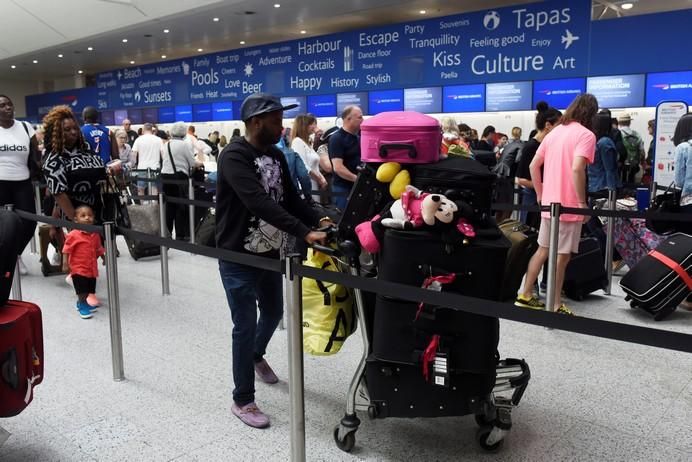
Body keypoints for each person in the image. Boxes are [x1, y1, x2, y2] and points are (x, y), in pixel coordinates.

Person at [216, 93, 329, 428]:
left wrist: (317, 220)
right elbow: (257, 201)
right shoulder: (234, 155)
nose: (281, 127)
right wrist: (303, 232)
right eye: (276, 121)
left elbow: (292, 198)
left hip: (269, 253)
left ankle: (255, 354)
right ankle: (243, 400)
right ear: (255, 122)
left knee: (274, 311)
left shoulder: (278, 155)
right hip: (237, 254)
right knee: (245, 324)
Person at [514, 93, 599, 315]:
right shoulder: (586, 135)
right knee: (562, 257)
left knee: (543, 250)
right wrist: (581, 203)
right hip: (569, 206)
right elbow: (577, 168)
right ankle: (553, 304)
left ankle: (525, 294)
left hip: (549, 204)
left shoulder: (555, 133)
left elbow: (534, 165)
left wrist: (542, 194)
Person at [0, 94, 40, 275]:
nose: (7, 108)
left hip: (22, 182)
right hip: (0, 183)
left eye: (9, 104)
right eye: (2, 105)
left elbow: (35, 154)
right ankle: (7, 259)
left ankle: (15, 254)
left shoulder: (25, 127)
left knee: (29, 222)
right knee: (4, 225)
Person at [515, 102, 562, 229]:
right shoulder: (531, 147)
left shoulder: (550, 145)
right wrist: (544, 186)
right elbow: (521, 180)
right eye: (559, 125)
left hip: (545, 198)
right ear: (548, 125)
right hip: (532, 199)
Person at [161, 122, 203, 240]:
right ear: (184, 133)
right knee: (181, 206)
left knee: (169, 206)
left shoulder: (166, 144)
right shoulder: (184, 145)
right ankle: (180, 234)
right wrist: (199, 163)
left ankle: (167, 233)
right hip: (179, 177)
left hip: (165, 176)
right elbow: (191, 163)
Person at [61, 205, 105, 320]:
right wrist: (65, 263)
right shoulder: (73, 234)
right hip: (78, 269)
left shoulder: (95, 234)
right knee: (82, 290)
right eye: (83, 215)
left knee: (90, 289)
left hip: (91, 268)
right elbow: (66, 249)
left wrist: (104, 257)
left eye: (90, 215)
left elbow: (98, 248)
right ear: (76, 219)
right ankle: (82, 305)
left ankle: (82, 303)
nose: (87, 218)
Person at [672, 113, 692, 310]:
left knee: (687, 248)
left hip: (688, 202)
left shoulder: (683, 147)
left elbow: (678, 180)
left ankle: (687, 294)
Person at [328, 105, 363, 209]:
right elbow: (338, 168)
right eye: (359, 117)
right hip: (343, 188)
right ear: (348, 119)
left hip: (356, 186)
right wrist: (357, 179)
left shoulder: (358, 138)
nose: (363, 120)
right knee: (344, 220)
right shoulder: (336, 139)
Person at [291, 114, 327, 198]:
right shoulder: (297, 142)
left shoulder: (307, 143)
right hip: (306, 185)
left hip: (313, 184)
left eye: (315, 123)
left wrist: (321, 179)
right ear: (303, 126)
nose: (314, 126)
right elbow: (304, 166)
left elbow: (314, 166)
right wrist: (320, 179)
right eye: (312, 124)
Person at [131, 123, 163, 195]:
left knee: (141, 189)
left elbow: (134, 154)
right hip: (155, 168)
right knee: (154, 188)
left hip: (142, 168)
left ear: (143, 129)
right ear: (152, 129)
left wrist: (133, 165)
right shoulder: (158, 139)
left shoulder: (138, 140)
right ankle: (154, 204)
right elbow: (163, 154)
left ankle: (142, 205)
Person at [618, 113, 646, 186]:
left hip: (621, 167)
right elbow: (642, 152)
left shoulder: (618, 134)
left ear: (619, 123)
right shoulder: (637, 134)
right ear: (629, 122)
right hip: (634, 166)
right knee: (632, 186)